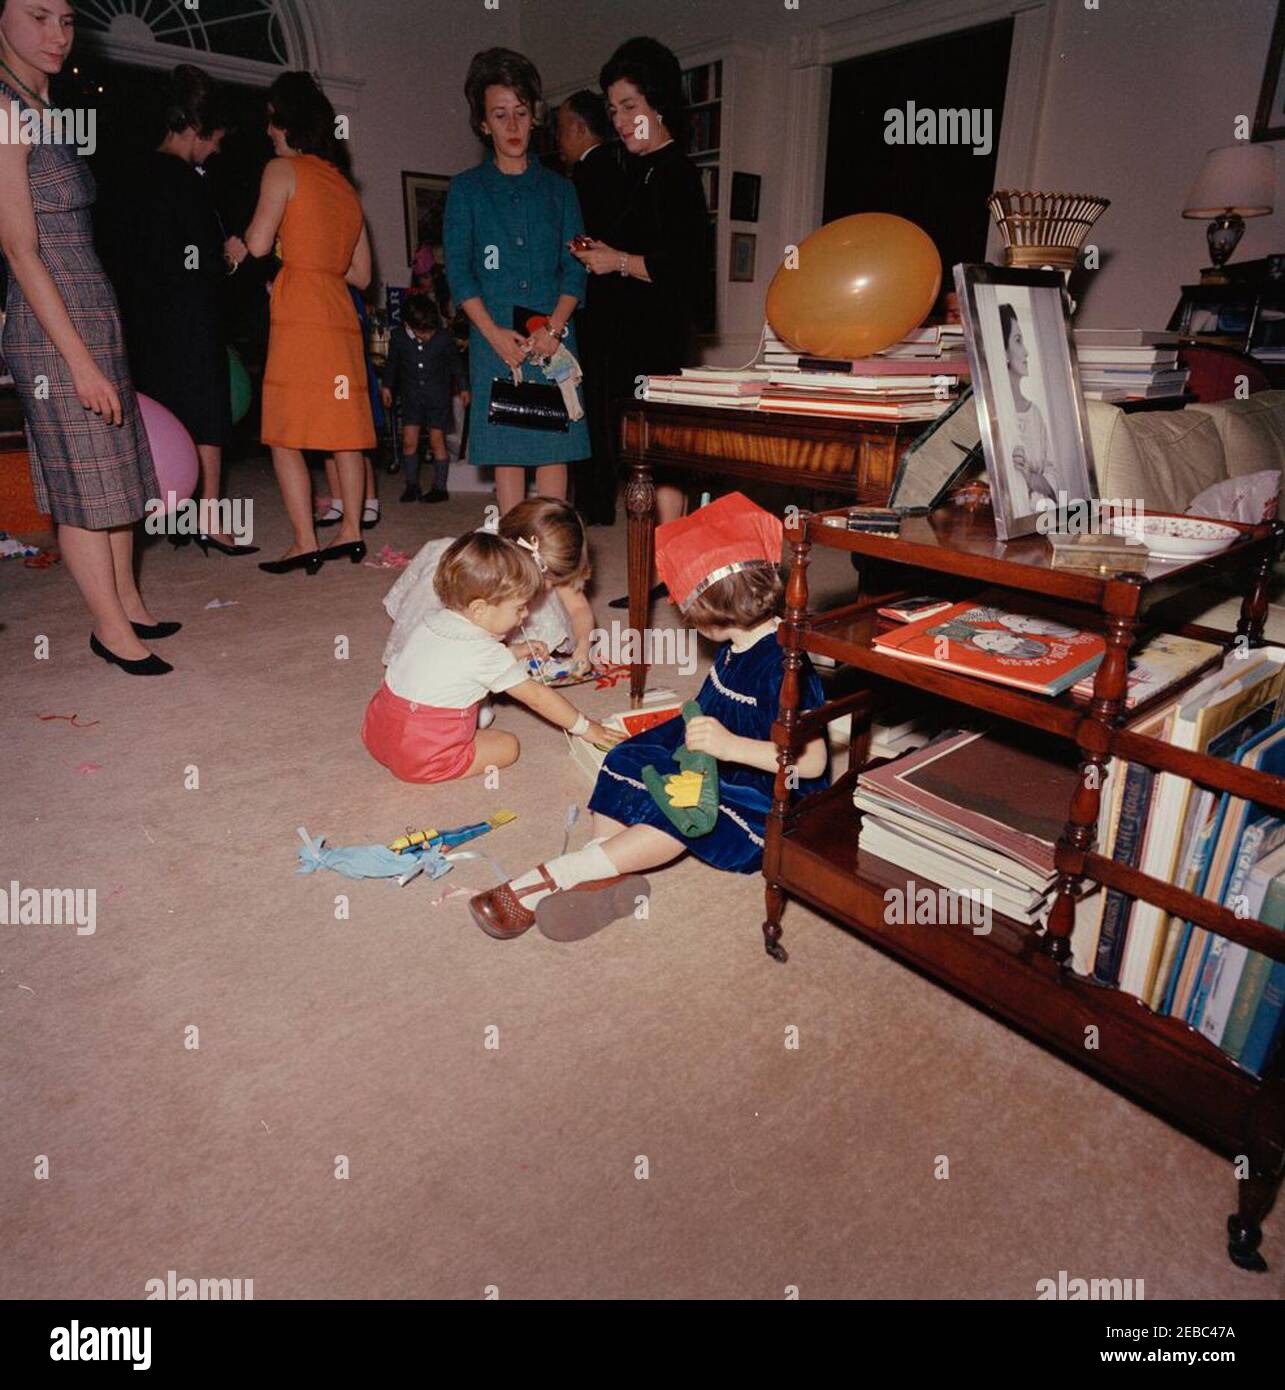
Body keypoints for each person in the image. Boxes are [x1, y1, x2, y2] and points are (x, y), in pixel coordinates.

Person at [468, 493, 830, 941]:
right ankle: (605, 868)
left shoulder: (784, 667)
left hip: (762, 786)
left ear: (717, 611)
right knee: (626, 757)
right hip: (711, 746)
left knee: (679, 809)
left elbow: (811, 763)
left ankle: (559, 874)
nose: (686, 622)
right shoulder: (738, 642)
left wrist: (729, 747)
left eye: (689, 614)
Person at [0, 0, 175, 676]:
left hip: (89, 301)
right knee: (84, 482)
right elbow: (19, 249)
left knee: (119, 464)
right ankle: (110, 631)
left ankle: (129, 600)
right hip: (52, 322)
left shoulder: (47, 105)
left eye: (67, 19)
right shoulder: (6, 111)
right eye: (38, 17)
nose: (58, 35)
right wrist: (77, 362)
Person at [570, 36, 709, 606]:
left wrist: (615, 260)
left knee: (657, 460)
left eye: (630, 107)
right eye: (613, 111)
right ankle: (663, 572)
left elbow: (686, 269)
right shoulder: (636, 172)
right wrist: (601, 251)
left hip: (653, 341)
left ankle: (666, 572)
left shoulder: (676, 172)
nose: (621, 121)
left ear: (657, 105)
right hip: (622, 337)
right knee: (646, 460)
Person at [226, 71, 375, 575]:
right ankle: (352, 530)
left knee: (285, 432)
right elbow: (362, 273)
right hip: (338, 308)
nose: (268, 130)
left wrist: (241, 245)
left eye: (271, 119)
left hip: (300, 308)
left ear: (283, 121)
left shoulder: (281, 170)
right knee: (343, 431)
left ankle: (304, 541)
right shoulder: (345, 187)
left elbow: (261, 243)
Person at [110, 64, 255, 559]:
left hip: (144, 320)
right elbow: (201, 263)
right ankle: (210, 520)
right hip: (191, 318)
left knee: (162, 415)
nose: (215, 150)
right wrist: (232, 257)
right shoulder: (188, 182)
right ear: (195, 130)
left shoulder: (130, 176)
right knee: (208, 416)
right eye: (213, 139)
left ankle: (168, 516)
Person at [444, 48, 590, 514]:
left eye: (521, 114)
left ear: (535, 118)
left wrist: (554, 328)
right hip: (496, 336)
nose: (511, 127)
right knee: (508, 451)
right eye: (499, 115)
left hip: (552, 334)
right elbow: (460, 272)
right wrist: (492, 337)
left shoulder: (561, 190)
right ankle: (513, 556)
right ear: (483, 124)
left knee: (553, 448)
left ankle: (552, 554)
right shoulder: (466, 190)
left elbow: (575, 268)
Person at [361, 530, 621, 789]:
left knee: (479, 715)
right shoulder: (487, 654)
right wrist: (586, 728)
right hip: (423, 758)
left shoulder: (430, 621)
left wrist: (516, 652)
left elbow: (459, 662)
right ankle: (443, 756)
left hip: (378, 734)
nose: (525, 615)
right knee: (508, 746)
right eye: (518, 608)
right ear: (479, 609)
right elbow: (538, 698)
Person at [383, 495, 599, 677]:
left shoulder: (544, 560)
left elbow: (578, 608)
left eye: (556, 580)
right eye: (547, 578)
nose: (550, 588)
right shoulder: (469, 570)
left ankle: (509, 654)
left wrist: (583, 647)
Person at [557, 89, 628, 526]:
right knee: (611, 408)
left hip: (593, 310)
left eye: (563, 128)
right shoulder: (627, 170)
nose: (559, 140)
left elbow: (577, 246)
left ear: (581, 129)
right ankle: (602, 497)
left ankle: (595, 502)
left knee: (587, 406)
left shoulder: (581, 180)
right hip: (625, 310)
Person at [380, 293, 468, 504]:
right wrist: (387, 386)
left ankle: (440, 487)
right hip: (411, 398)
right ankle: (412, 484)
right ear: (408, 324)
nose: (428, 336)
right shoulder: (399, 337)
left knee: (437, 440)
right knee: (409, 441)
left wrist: (464, 388)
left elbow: (456, 365)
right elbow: (392, 364)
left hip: (438, 399)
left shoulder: (443, 337)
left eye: (430, 330)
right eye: (422, 331)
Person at [999, 303, 1057, 513]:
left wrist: (1030, 477)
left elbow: (1054, 479)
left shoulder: (1035, 414)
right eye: (1018, 340)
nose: (1026, 351)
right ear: (1003, 351)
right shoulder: (994, 414)